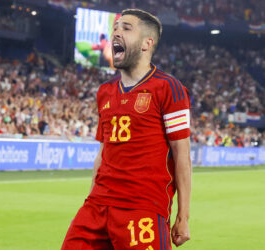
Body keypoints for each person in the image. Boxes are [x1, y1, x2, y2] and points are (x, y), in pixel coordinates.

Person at [62, 8, 191, 250]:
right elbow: (104, 153)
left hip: (142, 207)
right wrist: (89, 203)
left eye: (126, 28)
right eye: (115, 28)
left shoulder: (168, 88)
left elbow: (181, 154)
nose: (116, 32)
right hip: (97, 208)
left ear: (146, 43)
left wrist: (183, 217)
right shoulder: (105, 92)